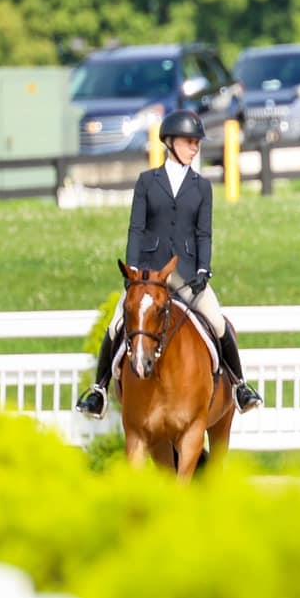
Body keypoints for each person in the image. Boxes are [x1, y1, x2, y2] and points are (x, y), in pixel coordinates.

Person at [77, 110, 262, 417]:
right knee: (116, 325)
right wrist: (133, 272)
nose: (195, 148)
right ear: (170, 142)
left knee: (217, 322)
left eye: (197, 142)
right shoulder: (147, 182)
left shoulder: (201, 187)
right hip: (150, 274)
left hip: (187, 274)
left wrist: (203, 270)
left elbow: (204, 233)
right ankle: (99, 391)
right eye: (189, 142)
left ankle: (241, 387)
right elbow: (136, 229)